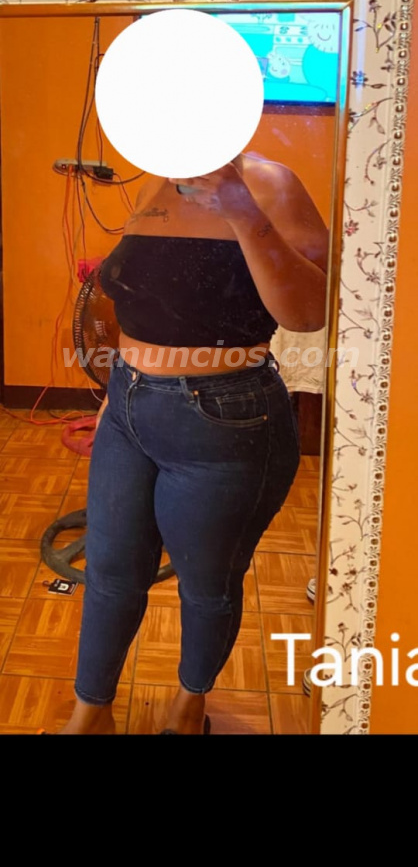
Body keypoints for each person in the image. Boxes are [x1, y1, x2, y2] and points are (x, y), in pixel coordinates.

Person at [56, 152, 329, 735]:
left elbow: (309, 313)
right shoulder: (156, 184)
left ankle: (187, 710)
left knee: (206, 585)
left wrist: (243, 212)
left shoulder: (272, 183)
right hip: (128, 407)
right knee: (109, 571)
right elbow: (143, 308)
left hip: (224, 419)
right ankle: (90, 714)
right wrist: (115, 401)